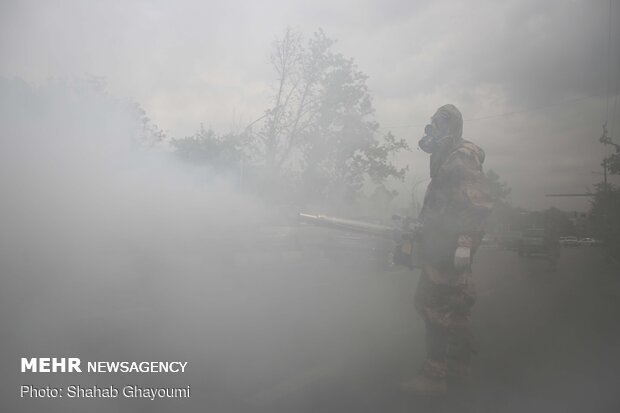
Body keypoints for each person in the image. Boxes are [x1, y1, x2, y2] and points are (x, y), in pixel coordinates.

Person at [401, 104, 493, 396]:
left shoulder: (461, 156)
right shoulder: (448, 158)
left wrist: (464, 244)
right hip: (443, 242)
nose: (432, 133)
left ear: (450, 128)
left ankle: (434, 377)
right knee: (455, 308)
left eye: (437, 127)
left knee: (432, 305)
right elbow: (445, 204)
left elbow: (477, 203)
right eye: (431, 126)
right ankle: (458, 368)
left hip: (449, 247)